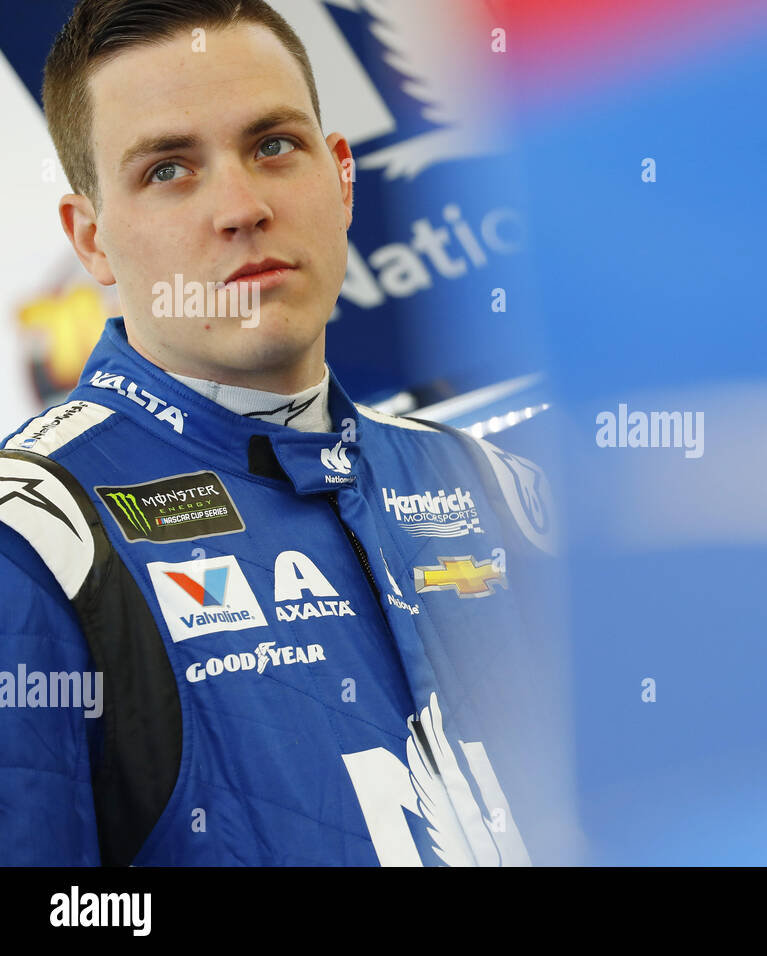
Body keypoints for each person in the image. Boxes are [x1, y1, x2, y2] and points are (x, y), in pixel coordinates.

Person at [0, 0, 581, 866]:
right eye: (168, 169)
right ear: (93, 241)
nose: (240, 207)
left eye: (273, 146)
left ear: (341, 177)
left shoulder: (496, 488)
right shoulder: (35, 539)